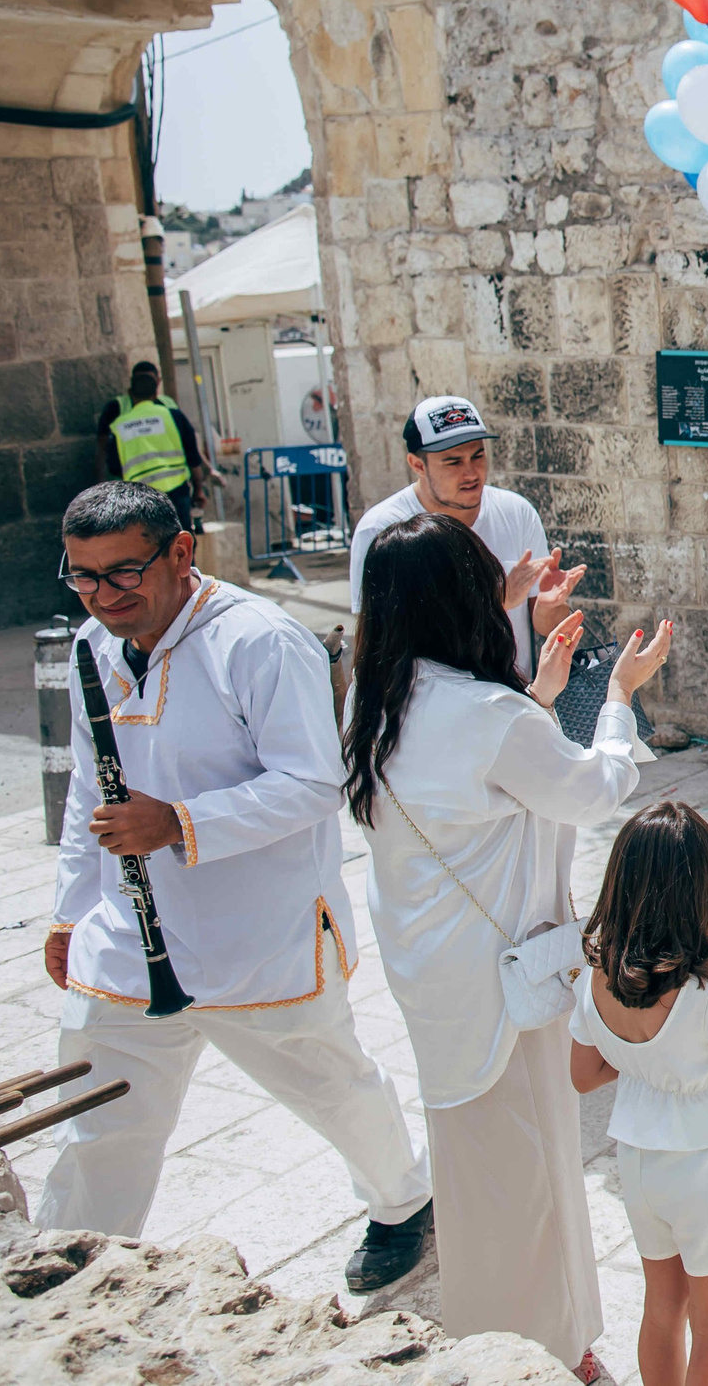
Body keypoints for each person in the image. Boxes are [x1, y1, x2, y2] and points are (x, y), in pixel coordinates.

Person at [37, 482, 432, 1293]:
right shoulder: (92, 645)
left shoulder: (260, 641)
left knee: (331, 1085)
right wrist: (68, 910)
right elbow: (89, 792)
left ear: (181, 554)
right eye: (83, 577)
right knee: (98, 1115)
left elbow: (315, 784)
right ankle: (73, 1268)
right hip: (128, 935)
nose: (103, 596)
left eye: (122, 573)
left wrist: (178, 824)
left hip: (259, 937)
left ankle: (405, 1201)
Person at [342, 512, 674, 1375]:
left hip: (433, 975)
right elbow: (593, 789)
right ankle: (534, 1353)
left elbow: (472, 786)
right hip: (502, 988)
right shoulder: (488, 714)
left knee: (483, 1171)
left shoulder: (378, 699)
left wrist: (535, 699)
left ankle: (539, 1336)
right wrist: (617, 698)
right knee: (529, 1177)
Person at [570, 802, 708, 1386]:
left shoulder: (598, 973)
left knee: (662, 1310)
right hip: (707, 1164)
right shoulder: (705, 986)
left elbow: (584, 1075)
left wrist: (644, 1059)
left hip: (639, 1161)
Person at [348, 395, 584, 679]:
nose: (471, 472)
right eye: (453, 462)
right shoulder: (381, 529)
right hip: (423, 709)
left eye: (478, 455)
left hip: (512, 704)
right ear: (417, 465)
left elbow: (550, 630)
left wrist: (550, 608)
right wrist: (495, 605)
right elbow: (378, 643)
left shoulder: (516, 512)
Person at [94, 360, 209, 528]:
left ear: (130, 392)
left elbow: (113, 465)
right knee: (181, 544)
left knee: (150, 547)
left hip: (140, 496)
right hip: (176, 492)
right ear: (156, 393)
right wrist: (198, 489)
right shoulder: (173, 415)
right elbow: (192, 456)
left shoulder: (119, 424)